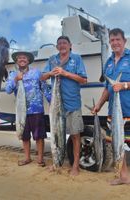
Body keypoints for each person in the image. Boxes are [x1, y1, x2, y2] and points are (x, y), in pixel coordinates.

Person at [41, 36, 87, 176]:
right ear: (57, 47)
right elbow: (42, 77)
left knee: (75, 135)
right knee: (56, 134)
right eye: (60, 43)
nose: (62, 45)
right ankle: (56, 163)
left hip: (72, 103)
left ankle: (75, 165)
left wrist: (65, 73)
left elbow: (84, 80)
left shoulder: (77, 59)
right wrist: (51, 73)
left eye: (65, 43)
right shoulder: (52, 60)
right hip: (56, 106)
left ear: (70, 45)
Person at [92, 28, 130, 185]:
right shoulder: (108, 62)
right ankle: (124, 177)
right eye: (112, 40)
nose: (115, 43)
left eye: (118, 40)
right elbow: (107, 88)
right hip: (114, 113)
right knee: (117, 144)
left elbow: (120, 86)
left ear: (124, 41)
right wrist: (99, 105)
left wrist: (124, 85)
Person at [5, 51, 51, 167]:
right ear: (16, 61)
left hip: (37, 109)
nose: (22, 59)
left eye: (24, 58)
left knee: (39, 136)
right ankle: (27, 158)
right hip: (21, 111)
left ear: (28, 60)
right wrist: (16, 79)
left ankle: (40, 159)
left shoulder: (36, 73)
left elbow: (44, 88)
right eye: (19, 58)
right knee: (25, 136)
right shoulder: (12, 75)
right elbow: (8, 90)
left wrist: (52, 101)